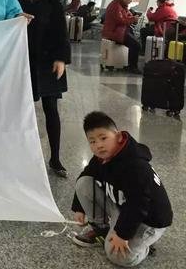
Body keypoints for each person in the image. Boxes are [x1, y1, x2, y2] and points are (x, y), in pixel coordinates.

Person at [70, 111, 172, 266]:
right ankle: (102, 231)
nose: (98, 145)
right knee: (84, 182)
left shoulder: (135, 166)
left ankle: (144, 246)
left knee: (119, 256)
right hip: (125, 207)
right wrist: (79, 208)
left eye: (103, 138)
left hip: (149, 220)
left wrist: (122, 235)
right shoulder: (102, 158)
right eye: (92, 141)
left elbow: (138, 204)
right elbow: (87, 174)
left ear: (117, 136)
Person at [12, 0, 71, 177]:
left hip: (47, 61)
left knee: (51, 108)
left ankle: (55, 158)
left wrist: (61, 58)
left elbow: (60, 31)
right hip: (19, 61)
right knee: (19, 110)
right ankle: (21, 156)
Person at [102, 0, 141, 73]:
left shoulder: (122, 5)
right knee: (136, 45)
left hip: (120, 30)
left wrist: (133, 18)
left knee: (134, 43)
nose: (131, 1)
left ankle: (129, 65)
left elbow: (126, 16)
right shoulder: (115, 6)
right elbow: (121, 20)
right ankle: (132, 67)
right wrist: (133, 19)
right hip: (114, 32)